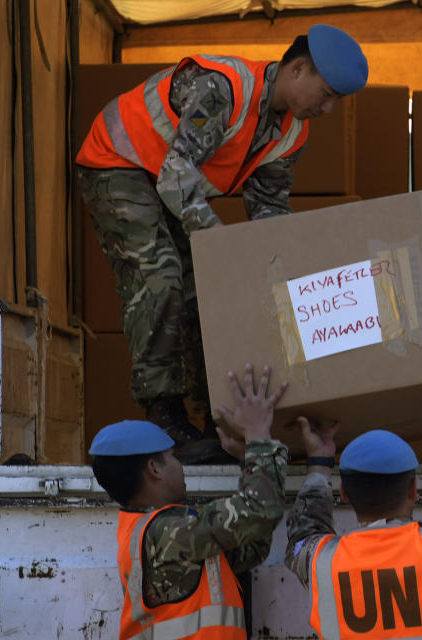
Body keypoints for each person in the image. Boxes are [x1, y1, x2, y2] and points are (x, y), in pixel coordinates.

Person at [76, 25, 368, 450]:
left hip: (166, 181)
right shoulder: (222, 90)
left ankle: (217, 416)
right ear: (298, 69)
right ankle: (163, 413)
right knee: (160, 276)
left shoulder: (291, 133)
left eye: (335, 102)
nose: (327, 110)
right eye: (325, 95)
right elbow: (178, 172)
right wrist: (223, 246)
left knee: (208, 291)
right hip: (119, 161)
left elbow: (269, 209)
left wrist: (289, 274)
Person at [284, 390, 422, 640]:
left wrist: (319, 462)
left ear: (344, 493)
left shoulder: (319, 561)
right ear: (413, 490)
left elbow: (303, 533)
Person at [89, 364, 290, 639]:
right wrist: (257, 437)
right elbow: (260, 511)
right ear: (154, 469)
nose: (180, 466)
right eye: (174, 457)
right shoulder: (168, 533)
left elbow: (253, 541)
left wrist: (250, 461)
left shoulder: (159, 532)